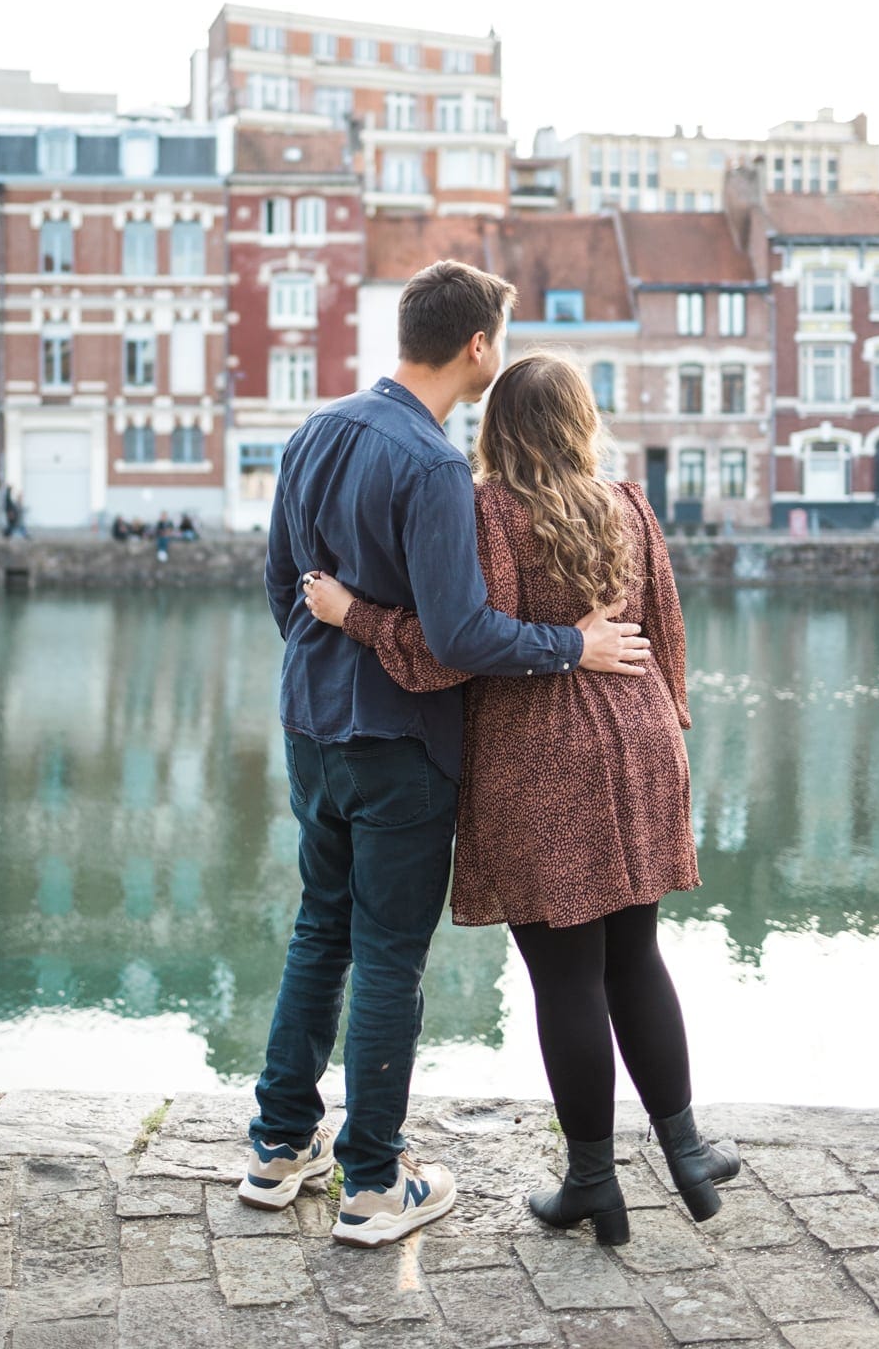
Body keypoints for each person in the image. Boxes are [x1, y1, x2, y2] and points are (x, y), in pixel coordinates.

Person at [237, 261, 650, 1249]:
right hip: (396, 740)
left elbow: (276, 586)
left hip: (309, 727)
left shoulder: (316, 429)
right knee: (386, 956)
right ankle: (374, 1183)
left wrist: (318, 669)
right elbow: (461, 635)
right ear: (477, 346)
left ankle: (275, 1147)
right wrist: (573, 645)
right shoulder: (429, 464)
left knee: (317, 931)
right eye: (496, 340)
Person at [305, 351, 740, 1246]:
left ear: (498, 426)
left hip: (541, 755)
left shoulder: (486, 510)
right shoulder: (628, 502)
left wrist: (358, 616)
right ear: (581, 421)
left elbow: (453, 645)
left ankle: (591, 1181)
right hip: (642, 739)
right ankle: (686, 1150)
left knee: (564, 977)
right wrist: (666, 725)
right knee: (635, 957)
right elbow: (667, 631)